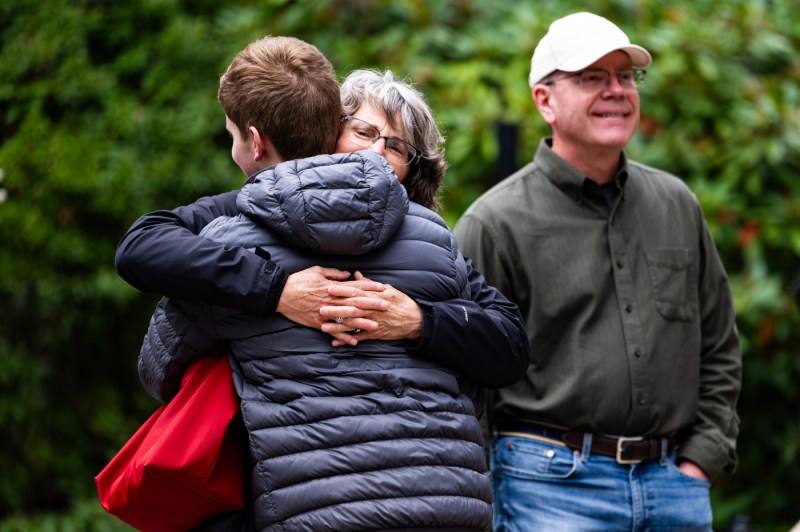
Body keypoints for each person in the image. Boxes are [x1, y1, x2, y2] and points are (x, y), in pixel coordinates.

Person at [137, 36, 529, 531]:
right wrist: (276, 291)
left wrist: (418, 321)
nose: (374, 152)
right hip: (437, 503)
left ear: (414, 171)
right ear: (324, 130)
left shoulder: (427, 240)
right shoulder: (243, 218)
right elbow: (143, 246)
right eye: (363, 131)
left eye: (396, 146)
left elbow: (160, 369)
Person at [454, 11, 742, 531]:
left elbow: (719, 345)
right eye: (592, 77)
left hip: (675, 488)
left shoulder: (677, 204)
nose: (617, 90)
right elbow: (465, 382)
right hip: (548, 492)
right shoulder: (494, 223)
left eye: (626, 76)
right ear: (545, 100)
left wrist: (702, 458)